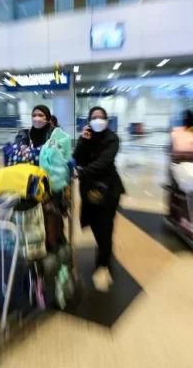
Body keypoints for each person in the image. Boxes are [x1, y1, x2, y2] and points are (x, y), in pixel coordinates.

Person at [74, 106, 124, 292]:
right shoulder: (87, 137)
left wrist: (82, 172)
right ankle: (104, 252)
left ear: (106, 120)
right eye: (94, 117)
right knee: (95, 225)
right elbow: (77, 158)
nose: (97, 120)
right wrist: (83, 141)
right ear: (89, 120)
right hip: (90, 191)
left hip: (108, 190)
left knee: (105, 227)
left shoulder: (112, 139)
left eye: (101, 117)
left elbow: (104, 162)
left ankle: (103, 263)